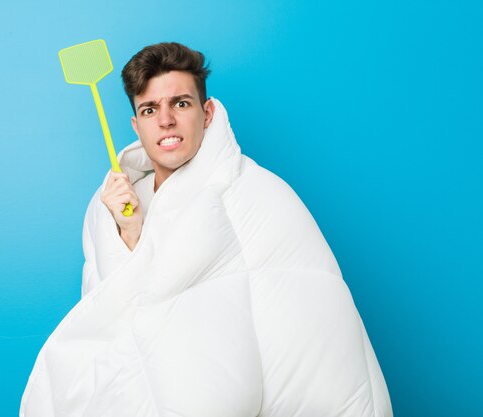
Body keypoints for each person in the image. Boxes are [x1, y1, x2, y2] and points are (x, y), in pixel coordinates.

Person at [20, 42, 392, 417]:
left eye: (180, 103)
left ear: (207, 112)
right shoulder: (110, 208)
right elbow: (111, 324)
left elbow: (312, 329)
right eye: (150, 109)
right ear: (136, 123)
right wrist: (129, 234)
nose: (165, 120)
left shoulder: (260, 194)